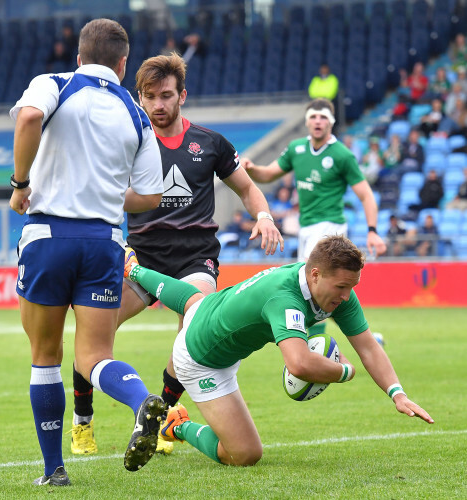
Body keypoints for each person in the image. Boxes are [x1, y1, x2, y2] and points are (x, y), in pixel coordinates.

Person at [70, 52, 283, 455]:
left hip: (193, 260)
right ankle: (82, 422)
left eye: (166, 95)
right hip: (140, 259)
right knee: (93, 331)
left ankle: (162, 417)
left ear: (182, 95)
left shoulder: (211, 143)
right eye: (150, 97)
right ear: (139, 98)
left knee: (194, 325)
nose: (158, 105)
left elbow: (247, 188)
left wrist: (265, 216)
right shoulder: (125, 141)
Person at [9, 19, 166, 486]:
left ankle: (54, 470)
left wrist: (20, 185)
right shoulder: (137, 115)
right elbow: (151, 196)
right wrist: (104, 190)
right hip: (104, 243)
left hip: (48, 238)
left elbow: (29, 117)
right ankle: (141, 401)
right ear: (123, 64)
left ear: (79, 57)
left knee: (45, 356)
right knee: (94, 357)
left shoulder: (54, 83)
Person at [123, 235, 434, 466]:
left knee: (193, 301)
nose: (347, 295)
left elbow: (367, 345)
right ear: (315, 275)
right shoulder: (285, 298)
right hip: (201, 360)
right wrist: (345, 372)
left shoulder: (331, 291)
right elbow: (298, 364)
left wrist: (397, 393)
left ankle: (132, 268)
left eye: (352, 286)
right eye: (341, 287)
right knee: (245, 454)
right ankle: (176, 425)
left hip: (207, 307)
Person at [242, 98, 387, 335]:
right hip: (306, 227)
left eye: (322, 117)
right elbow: (268, 174)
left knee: (313, 285)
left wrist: (372, 231)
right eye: (313, 117)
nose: (317, 121)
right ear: (307, 121)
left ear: (330, 122)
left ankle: (316, 343)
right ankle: (350, 337)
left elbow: (366, 195)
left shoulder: (341, 155)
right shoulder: (296, 148)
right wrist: (252, 168)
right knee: (311, 285)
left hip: (329, 226)